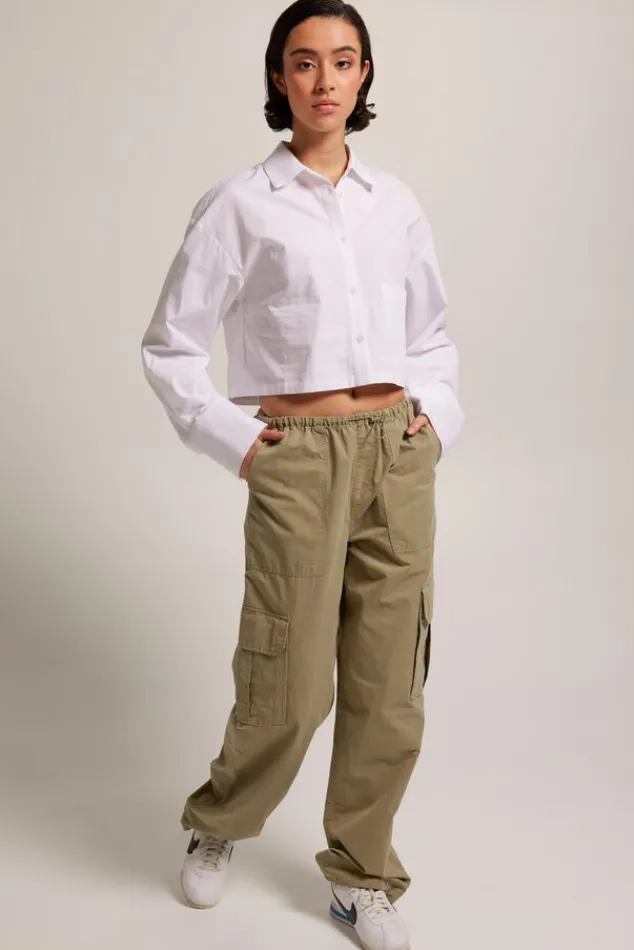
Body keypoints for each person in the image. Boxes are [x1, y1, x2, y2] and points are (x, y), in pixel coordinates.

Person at [141, 1, 464, 947]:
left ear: (365, 77)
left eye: (344, 60)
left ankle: (362, 877)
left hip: (397, 450)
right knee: (288, 680)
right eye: (305, 61)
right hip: (297, 457)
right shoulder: (240, 205)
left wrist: (432, 423)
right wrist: (239, 443)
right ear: (279, 77)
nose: (325, 80)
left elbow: (432, 333)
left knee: (389, 685)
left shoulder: (395, 203)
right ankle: (220, 820)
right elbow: (170, 347)